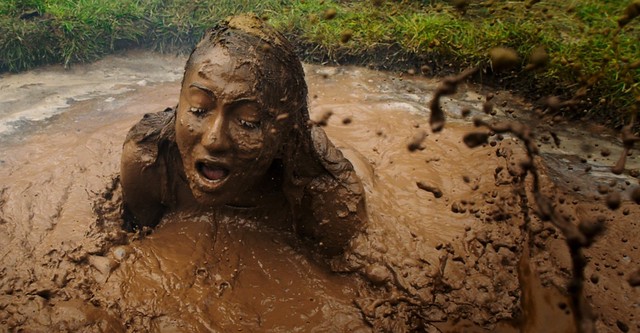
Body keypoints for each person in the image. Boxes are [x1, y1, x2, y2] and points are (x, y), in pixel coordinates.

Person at [120, 14, 366, 255]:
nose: (214, 140)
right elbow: (132, 241)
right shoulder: (148, 161)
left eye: (248, 122)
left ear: (284, 137)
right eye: (198, 109)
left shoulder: (326, 196)